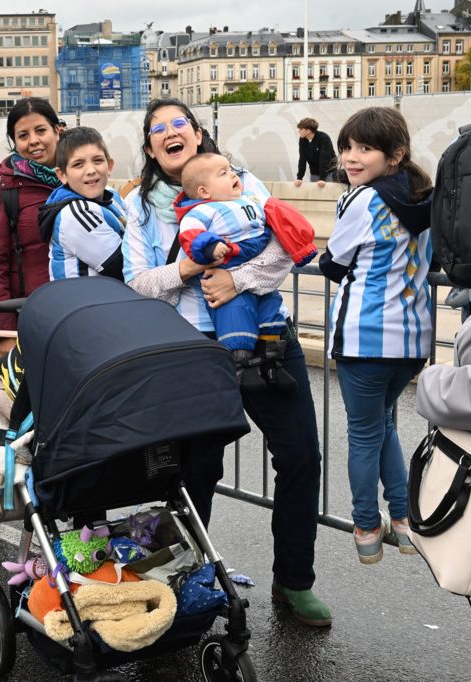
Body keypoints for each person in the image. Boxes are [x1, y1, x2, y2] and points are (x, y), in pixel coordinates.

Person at [121, 98, 330, 627]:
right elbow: (138, 284)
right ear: (150, 148)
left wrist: (237, 280)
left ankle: (294, 580)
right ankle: (189, 585)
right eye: (158, 129)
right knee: (196, 471)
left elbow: (281, 249)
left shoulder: (238, 180)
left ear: (196, 132)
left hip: (267, 338)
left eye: (180, 124)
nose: (171, 133)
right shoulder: (141, 207)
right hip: (192, 349)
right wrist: (188, 268)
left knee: (302, 456)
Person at [318, 106, 432, 565]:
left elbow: (334, 261)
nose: (350, 157)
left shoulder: (362, 200)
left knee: (363, 435)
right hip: (412, 341)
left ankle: (366, 526)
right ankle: (402, 521)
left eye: (365, 148)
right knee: (383, 426)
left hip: (364, 338)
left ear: (395, 154)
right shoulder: (424, 196)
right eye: (347, 147)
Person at [176, 152, 307, 390]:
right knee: (236, 316)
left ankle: (272, 364)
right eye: (223, 173)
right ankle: (241, 368)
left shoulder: (250, 197)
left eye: (231, 169)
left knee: (271, 313)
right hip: (227, 265)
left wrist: (300, 242)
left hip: (257, 279)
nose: (233, 174)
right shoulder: (202, 211)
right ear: (205, 191)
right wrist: (210, 246)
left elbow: (278, 223)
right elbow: (191, 235)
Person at [0, 97, 63, 359]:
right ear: (15, 143)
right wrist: (5, 334)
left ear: (57, 130)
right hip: (32, 315)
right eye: (23, 135)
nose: (33, 140)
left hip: (82, 311)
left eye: (41, 130)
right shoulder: (1, 189)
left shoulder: (80, 177)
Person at [37, 126, 126, 281]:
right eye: (78, 164)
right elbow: (124, 266)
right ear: (62, 175)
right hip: (86, 303)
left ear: (110, 165)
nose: (90, 170)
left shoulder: (112, 195)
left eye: (98, 160)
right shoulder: (75, 213)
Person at [294, 117, 336, 187]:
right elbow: (302, 159)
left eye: (301, 129)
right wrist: (299, 178)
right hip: (314, 172)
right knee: (315, 194)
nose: (299, 131)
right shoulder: (302, 140)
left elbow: (324, 159)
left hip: (329, 171)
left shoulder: (323, 138)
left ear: (308, 131)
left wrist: (322, 178)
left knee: (328, 194)